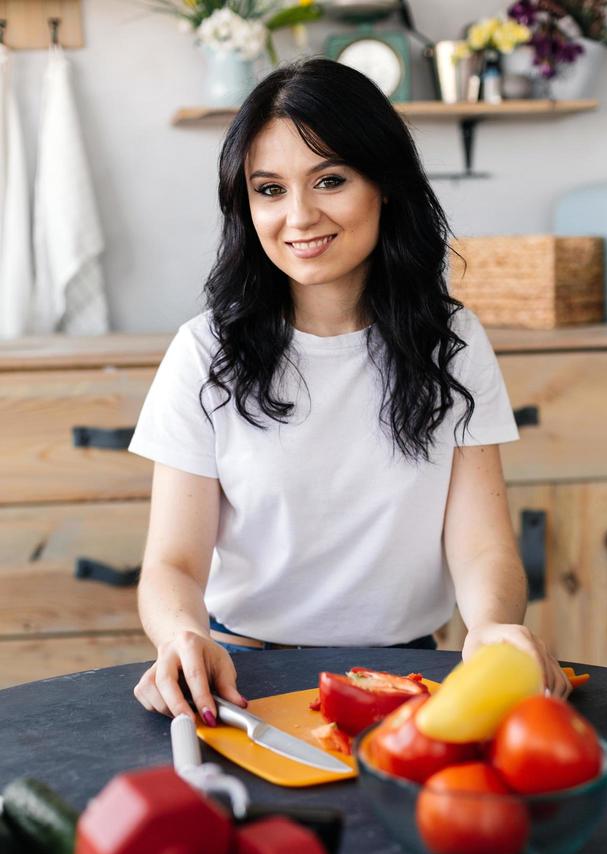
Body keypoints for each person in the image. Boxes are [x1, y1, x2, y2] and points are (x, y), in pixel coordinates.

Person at [129, 57, 572, 724]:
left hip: (407, 671)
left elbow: (483, 546)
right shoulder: (205, 351)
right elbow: (173, 562)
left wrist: (490, 627)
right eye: (269, 190)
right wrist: (180, 636)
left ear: (384, 185)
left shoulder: (452, 340)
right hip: (245, 676)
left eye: (330, 180)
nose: (299, 216)